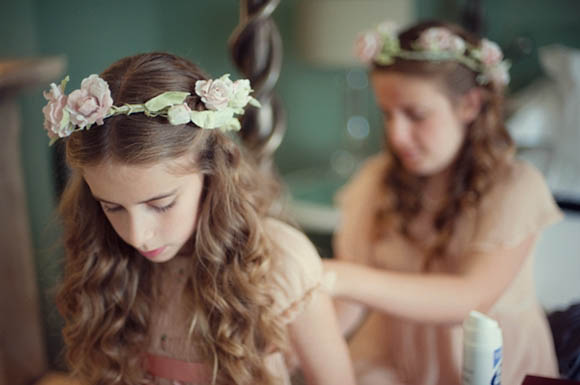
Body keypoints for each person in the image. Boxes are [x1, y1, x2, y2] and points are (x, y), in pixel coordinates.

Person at [45, 52, 355, 385]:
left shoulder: (277, 263)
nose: (138, 236)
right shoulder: (105, 258)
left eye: (162, 204)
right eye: (113, 207)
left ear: (212, 174)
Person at [323, 20, 562, 385]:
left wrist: (337, 276)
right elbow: (347, 306)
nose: (396, 135)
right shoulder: (377, 181)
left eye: (416, 115)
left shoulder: (516, 188)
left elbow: (471, 299)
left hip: (494, 365)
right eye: (387, 114)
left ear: (469, 104)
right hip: (400, 361)